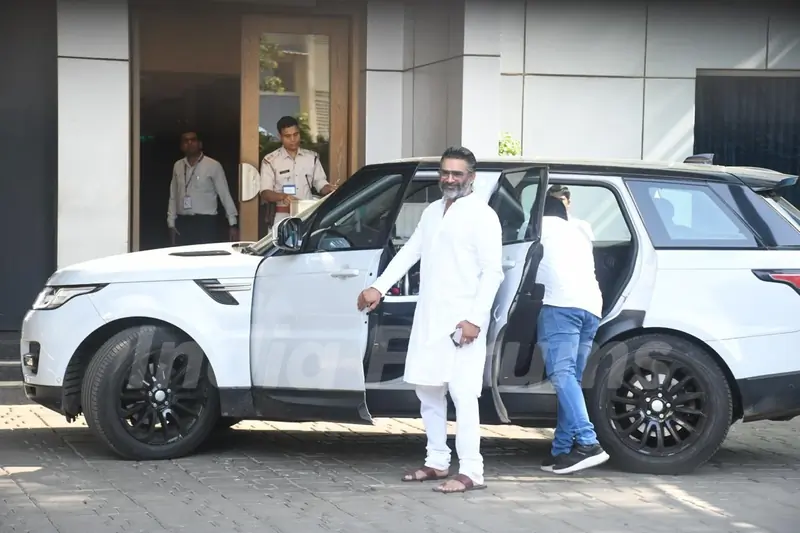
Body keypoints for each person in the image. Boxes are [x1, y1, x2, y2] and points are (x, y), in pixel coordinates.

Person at [356, 146, 504, 494]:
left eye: (457, 173)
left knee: (463, 395)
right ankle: (437, 460)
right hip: (430, 315)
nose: (450, 179)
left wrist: (475, 319)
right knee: (428, 390)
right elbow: (412, 251)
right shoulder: (433, 211)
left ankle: (472, 471)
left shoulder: (483, 216)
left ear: (471, 177)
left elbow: (493, 272)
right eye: (445, 172)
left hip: (463, 321)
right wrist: (378, 287)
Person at [536, 194, 609, 475]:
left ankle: (588, 443)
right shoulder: (579, 231)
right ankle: (563, 450)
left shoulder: (541, 228)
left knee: (561, 374)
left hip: (561, 306)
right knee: (571, 380)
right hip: (592, 307)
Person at [259, 115, 336, 232]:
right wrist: (283, 196)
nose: (293, 139)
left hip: (307, 216)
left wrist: (329, 189)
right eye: (288, 136)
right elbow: (265, 192)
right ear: (280, 136)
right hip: (281, 217)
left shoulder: (311, 158)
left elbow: (320, 183)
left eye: (296, 134)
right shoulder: (271, 160)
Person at [167, 131, 239, 245]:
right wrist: (171, 222)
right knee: (183, 255)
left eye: (193, 140)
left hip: (206, 223)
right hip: (183, 222)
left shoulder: (213, 165)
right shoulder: (178, 166)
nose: (189, 143)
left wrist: (233, 223)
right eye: (186, 141)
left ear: (200, 144)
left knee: (205, 255)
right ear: (181, 146)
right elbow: (173, 195)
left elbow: (224, 194)